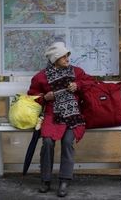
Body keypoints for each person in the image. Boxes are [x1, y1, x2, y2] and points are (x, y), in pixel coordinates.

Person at [27, 41, 95, 197]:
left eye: (67, 55)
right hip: (52, 115)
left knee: (67, 142)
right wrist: (45, 98)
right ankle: (45, 179)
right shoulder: (41, 77)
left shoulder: (76, 72)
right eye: (63, 56)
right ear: (55, 59)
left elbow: (92, 82)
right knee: (48, 142)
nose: (67, 59)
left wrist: (78, 85)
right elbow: (32, 97)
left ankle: (65, 180)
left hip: (73, 115)